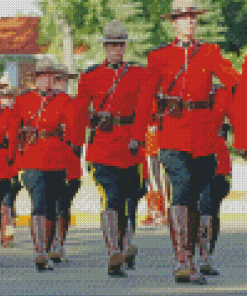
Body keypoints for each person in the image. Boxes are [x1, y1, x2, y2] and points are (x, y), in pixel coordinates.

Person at [130, 0, 240, 284]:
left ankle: (192, 254)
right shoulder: (159, 57)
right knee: (180, 187)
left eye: (192, 18)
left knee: (195, 195)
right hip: (173, 134)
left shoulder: (210, 52)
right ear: (174, 22)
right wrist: (136, 135)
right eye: (183, 18)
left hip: (204, 137)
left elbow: (232, 80)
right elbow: (145, 99)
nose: (189, 22)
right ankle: (183, 259)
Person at [70, 20, 148, 276]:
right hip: (101, 147)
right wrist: (76, 144)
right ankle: (113, 250)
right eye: (112, 44)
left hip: (129, 146)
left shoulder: (137, 74)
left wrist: (137, 136)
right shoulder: (90, 76)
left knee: (128, 200)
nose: (116, 49)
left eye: (120, 44)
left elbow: (144, 109)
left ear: (125, 47)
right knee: (109, 196)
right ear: (105, 46)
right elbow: (80, 112)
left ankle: (125, 245)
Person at [7, 57, 79, 271]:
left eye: (51, 76)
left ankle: (46, 251)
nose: (47, 80)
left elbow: (72, 130)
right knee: (39, 202)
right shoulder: (23, 100)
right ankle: (39, 251)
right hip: (32, 158)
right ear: (36, 78)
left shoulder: (64, 100)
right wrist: (13, 159)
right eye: (43, 76)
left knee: (51, 205)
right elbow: (13, 130)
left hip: (57, 159)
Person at [48, 70, 81, 264]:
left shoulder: (75, 104)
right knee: (50, 203)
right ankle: (51, 243)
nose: (63, 84)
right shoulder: (45, 103)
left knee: (64, 205)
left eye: (66, 81)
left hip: (71, 160)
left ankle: (59, 243)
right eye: (59, 80)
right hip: (50, 159)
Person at [0, 88, 22, 248]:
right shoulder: (10, 114)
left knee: (8, 203)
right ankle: (7, 234)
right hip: (6, 164)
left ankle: (8, 233)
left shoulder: (12, 113)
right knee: (7, 203)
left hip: (8, 165)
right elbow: (13, 139)